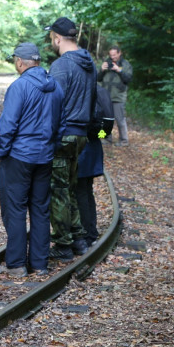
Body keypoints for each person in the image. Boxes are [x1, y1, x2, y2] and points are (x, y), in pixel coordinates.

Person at [0, 43, 64, 278]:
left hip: (19, 157)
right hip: (44, 157)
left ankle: (16, 265)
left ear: (20, 62)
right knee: (40, 209)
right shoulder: (56, 87)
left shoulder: (19, 87)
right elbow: (60, 126)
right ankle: (39, 264)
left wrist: (2, 151)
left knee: (15, 209)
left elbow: (8, 125)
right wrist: (50, 148)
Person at [45, 17, 97, 262]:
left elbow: (51, 104)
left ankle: (63, 244)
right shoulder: (90, 63)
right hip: (81, 136)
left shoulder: (60, 66)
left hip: (63, 135)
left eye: (51, 38)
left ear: (57, 38)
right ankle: (78, 238)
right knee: (71, 187)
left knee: (58, 190)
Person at [77, 84, 113, 246]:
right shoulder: (100, 90)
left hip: (81, 146)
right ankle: (90, 231)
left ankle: (86, 234)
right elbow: (107, 129)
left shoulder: (82, 88)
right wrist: (98, 136)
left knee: (80, 192)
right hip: (93, 145)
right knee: (86, 190)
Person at [98, 46, 132, 147]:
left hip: (118, 97)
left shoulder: (125, 65)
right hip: (106, 97)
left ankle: (124, 140)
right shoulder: (106, 63)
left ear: (119, 53)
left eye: (114, 55)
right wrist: (101, 69)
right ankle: (104, 138)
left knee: (120, 119)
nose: (112, 57)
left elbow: (128, 79)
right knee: (104, 120)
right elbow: (98, 78)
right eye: (111, 55)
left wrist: (119, 70)